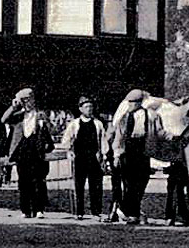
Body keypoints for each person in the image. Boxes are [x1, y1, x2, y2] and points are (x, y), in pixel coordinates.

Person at [1, 88, 54, 218]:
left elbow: (50, 130)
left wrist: (45, 123)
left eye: (29, 99)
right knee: (23, 182)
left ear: (34, 100)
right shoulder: (18, 115)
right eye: (24, 100)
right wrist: (13, 107)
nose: (28, 103)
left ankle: (39, 209)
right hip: (22, 151)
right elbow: (3, 120)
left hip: (37, 150)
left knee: (38, 181)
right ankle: (25, 210)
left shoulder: (41, 115)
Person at [62, 96, 108, 219]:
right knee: (79, 185)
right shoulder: (74, 124)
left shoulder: (98, 123)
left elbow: (102, 141)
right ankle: (79, 212)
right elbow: (67, 140)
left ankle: (96, 211)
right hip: (79, 158)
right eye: (86, 107)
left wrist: (103, 155)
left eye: (91, 107)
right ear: (80, 109)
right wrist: (69, 151)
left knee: (96, 185)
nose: (89, 109)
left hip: (94, 158)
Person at [112, 89, 151, 225]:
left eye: (133, 103)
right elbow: (119, 137)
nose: (130, 105)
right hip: (128, 151)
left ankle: (129, 210)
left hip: (143, 151)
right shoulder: (125, 117)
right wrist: (117, 155)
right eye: (129, 103)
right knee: (130, 183)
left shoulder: (149, 115)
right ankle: (130, 212)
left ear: (140, 103)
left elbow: (156, 132)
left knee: (143, 180)